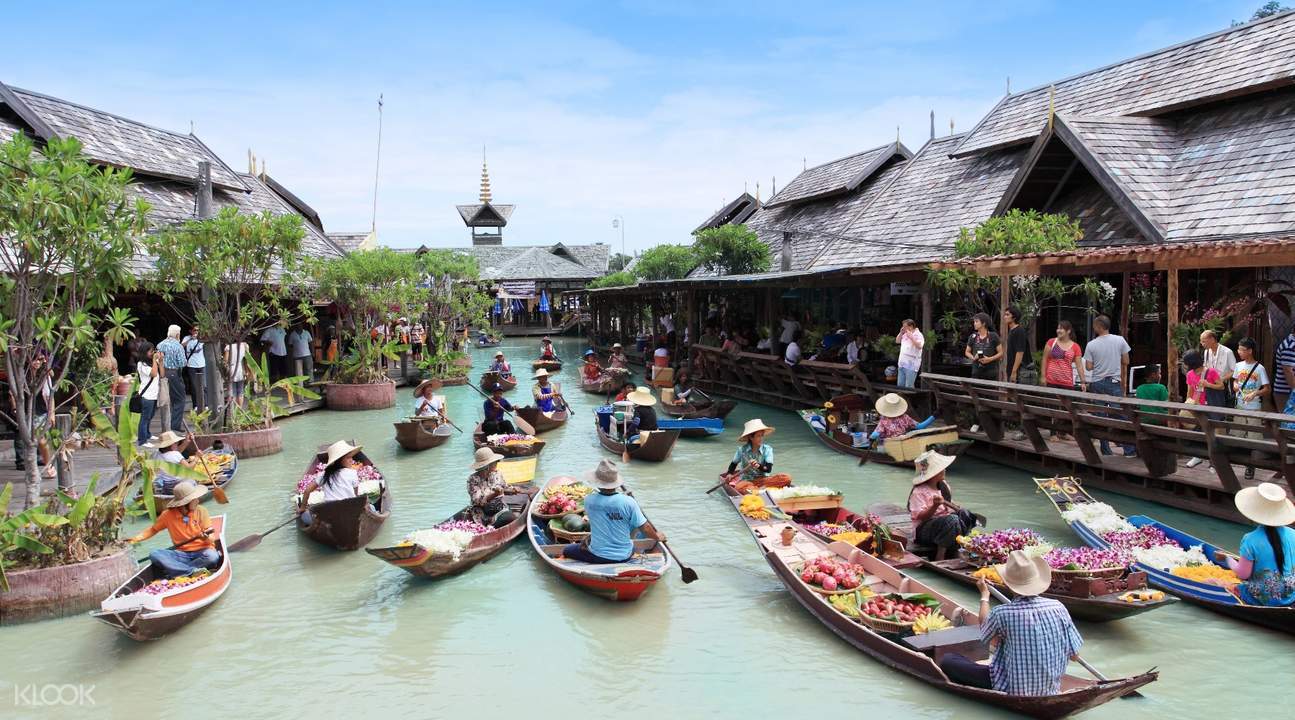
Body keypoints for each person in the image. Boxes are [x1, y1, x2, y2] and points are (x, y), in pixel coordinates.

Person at [939, 550, 1083, 696]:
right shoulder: (1058, 607)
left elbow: (985, 633)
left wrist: (984, 595)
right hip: (1051, 687)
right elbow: (1074, 656)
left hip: (1010, 686)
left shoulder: (1003, 613)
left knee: (948, 660)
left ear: (1008, 585)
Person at [559, 460, 666, 564]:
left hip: (597, 556)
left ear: (597, 482)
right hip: (625, 556)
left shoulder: (588, 500)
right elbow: (645, 527)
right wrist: (657, 537)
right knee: (634, 524)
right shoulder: (629, 502)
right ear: (615, 483)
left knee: (567, 550)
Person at [1220, 482, 1295, 606]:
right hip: (1291, 595)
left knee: (1212, 581)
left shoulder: (1250, 540)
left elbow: (1243, 575)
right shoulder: (1293, 534)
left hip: (1261, 598)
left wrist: (1228, 559)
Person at [127, 481, 220, 579]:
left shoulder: (201, 511)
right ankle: (190, 572)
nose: (197, 501)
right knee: (155, 554)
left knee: (212, 557)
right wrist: (135, 539)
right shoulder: (167, 515)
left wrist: (205, 538)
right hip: (182, 554)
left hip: (202, 552)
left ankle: (178, 571)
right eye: (194, 499)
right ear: (185, 503)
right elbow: (152, 530)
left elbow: (211, 539)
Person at [907, 451, 977, 557]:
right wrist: (934, 506)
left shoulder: (944, 487)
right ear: (934, 473)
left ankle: (959, 546)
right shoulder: (919, 491)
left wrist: (954, 506)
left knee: (965, 514)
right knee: (952, 520)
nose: (944, 470)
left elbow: (949, 507)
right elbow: (921, 517)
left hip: (945, 526)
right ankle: (940, 556)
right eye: (941, 469)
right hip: (923, 531)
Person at [1083, 315, 1131, 456]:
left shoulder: (1091, 344)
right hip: (1114, 382)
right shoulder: (1120, 340)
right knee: (1120, 414)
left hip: (1097, 382)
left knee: (1100, 415)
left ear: (1098, 327)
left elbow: (1089, 367)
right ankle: (1129, 449)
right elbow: (1126, 361)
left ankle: (1105, 448)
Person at [1232, 337, 1271, 480]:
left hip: (1254, 407)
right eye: (1239, 349)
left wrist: (1255, 393)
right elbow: (1235, 381)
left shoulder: (1260, 368)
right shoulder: (1238, 365)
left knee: (1254, 439)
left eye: (1242, 349)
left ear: (1250, 351)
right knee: (1238, 436)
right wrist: (1235, 385)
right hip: (1240, 406)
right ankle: (1240, 463)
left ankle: (1251, 466)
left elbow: (1267, 389)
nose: (1239, 352)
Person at [297, 441, 364, 516]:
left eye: (351, 457)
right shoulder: (352, 473)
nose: (352, 460)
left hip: (330, 513)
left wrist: (303, 508)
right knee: (370, 507)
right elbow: (355, 496)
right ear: (339, 460)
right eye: (348, 457)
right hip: (349, 512)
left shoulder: (323, 475)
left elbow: (307, 491)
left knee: (305, 516)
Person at [1181, 350, 1220, 468]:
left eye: (1186, 363)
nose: (1185, 365)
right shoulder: (1190, 374)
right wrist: (1188, 405)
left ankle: (1214, 460)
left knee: (1211, 434)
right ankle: (1197, 456)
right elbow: (1189, 391)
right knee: (1197, 432)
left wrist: (1208, 384)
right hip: (1196, 407)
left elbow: (1221, 386)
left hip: (1210, 407)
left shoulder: (1211, 371)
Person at [725, 418, 786, 488]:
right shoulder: (742, 450)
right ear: (751, 437)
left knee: (786, 478)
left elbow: (768, 469)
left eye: (762, 435)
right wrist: (729, 474)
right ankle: (755, 490)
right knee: (744, 488)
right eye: (758, 436)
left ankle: (759, 489)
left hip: (763, 479)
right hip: (747, 480)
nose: (761, 438)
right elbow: (733, 464)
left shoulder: (767, 449)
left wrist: (758, 466)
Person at [466, 447, 516, 528]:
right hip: (481, 511)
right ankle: (490, 525)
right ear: (488, 465)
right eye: (495, 462)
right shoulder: (473, 479)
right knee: (508, 518)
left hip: (498, 507)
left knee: (510, 517)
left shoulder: (497, 474)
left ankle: (493, 523)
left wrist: (514, 489)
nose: (497, 463)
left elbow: (505, 486)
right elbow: (478, 500)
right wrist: (494, 494)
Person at [866, 393, 935, 448]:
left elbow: (875, 434)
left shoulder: (884, 420)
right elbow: (920, 427)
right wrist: (933, 416)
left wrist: (871, 438)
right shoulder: (905, 417)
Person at [157, 324, 188, 432]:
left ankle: (166, 424)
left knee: (166, 398)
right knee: (180, 399)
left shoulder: (160, 344)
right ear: (177, 334)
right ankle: (175, 425)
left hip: (162, 373)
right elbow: (183, 363)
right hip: (174, 373)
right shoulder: (178, 346)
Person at [146, 430, 190, 495]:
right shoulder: (175, 454)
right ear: (172, 445)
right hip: (176, 486)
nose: (177, 444)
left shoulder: (154, 454)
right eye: (176, 443)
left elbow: (174, 454)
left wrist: (186, 442)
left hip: (163, 486)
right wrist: (197, 458)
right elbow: (189, 469)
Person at [1201, 330, 1236, 411]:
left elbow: (1234, 371)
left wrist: (1222, 379)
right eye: (1201, 341)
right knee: (1211, 410)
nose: (1202, 344)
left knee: (1223, 410)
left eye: (1204, 341)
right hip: (1210, 386)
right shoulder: (1206, 352)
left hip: (1224, 386)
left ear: (1212, 339)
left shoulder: (1227, 352)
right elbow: (1206, 368)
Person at [135, 342, 162, 446]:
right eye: (151, 351)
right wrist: (155, 360)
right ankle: (142, 440)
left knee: (150, 416)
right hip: (147, 395)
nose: (152, 353)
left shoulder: (151, 363)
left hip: (154, 394)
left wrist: (160, 361)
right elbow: (154, 374)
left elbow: (162, 374)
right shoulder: (141, 364)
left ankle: (147, 434)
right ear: (144, 352)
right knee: (145, 418)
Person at [964, 312, 1002, 381]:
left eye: (976, 321)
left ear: (984, 323)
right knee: (975, 391)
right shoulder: (972, 336)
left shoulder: (993, 336)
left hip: (991, 371)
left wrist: (989, 359)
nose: (974, 323)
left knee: (989, 391)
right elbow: (967, 352)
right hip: (976, 371)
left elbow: (1001, 353)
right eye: (974, 322)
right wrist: (973, 358)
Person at [1003, 307, 1036, 385]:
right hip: (1014, 370)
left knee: (1019, 396)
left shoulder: (1019, 331)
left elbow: (1020, 353)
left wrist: (1014, 372)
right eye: (1005, 315)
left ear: (1014, 317)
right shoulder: (1012, 331)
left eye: (1007, 315)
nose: (1005, 317)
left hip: (1021, 371)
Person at [181, 326, 206, 413]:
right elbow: (181, 346)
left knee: (203, 385)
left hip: (202, 364)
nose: (196, 332)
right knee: (194, 386)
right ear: (191, 331)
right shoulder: (187, 338)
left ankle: (205, 404)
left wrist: (200, 337)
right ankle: (195, 405)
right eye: (195, 330)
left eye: (198, 330)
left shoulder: (202, 338)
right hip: (191, 365)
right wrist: (191, 339)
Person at [896, 320, 924, 389]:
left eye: (905, 326)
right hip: (902, 363)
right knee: (900, 385)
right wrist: (900, 333)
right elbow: (897, 341)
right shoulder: (905, 334)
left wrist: (912, 337)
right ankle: (902, 400)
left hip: (911, 365)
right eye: (903, 326)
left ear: (911, 326)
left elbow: (920, 346)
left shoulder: (919, 335)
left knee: (909, 386)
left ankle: (910, 400)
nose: (903, 328)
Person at [225, 335, 251, 408]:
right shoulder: (245, 346)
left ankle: (235, 410)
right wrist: (247, 370)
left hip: (231, 369)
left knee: (233, 391)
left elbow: (226, 361)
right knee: (240, 391)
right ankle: (240, 409)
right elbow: (248, 359)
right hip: (241, 368)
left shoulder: (228, 347)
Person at [1275, 326, 1295, 413]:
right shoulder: (1290, 346)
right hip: (1287, 392)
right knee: (1287, 424)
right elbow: (1288, 372)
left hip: (1289, 391)